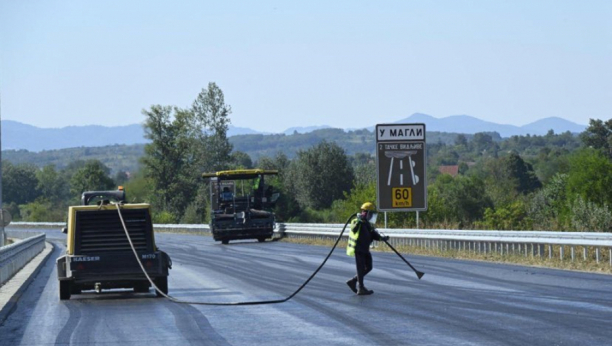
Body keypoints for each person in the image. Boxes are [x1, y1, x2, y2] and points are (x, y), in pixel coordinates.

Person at [346, 202, 389, 295]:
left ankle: (353, 281)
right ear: (366, 213)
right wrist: (358, 220)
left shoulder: (367, 224)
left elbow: (373, 234)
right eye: (371, 214)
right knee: (360, 268)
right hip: (359, 249)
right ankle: (360, 288)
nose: (372, 217)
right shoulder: (357, 221)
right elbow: (353, 229)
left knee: (369, 267)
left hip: (365, 249)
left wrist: (382, 238)